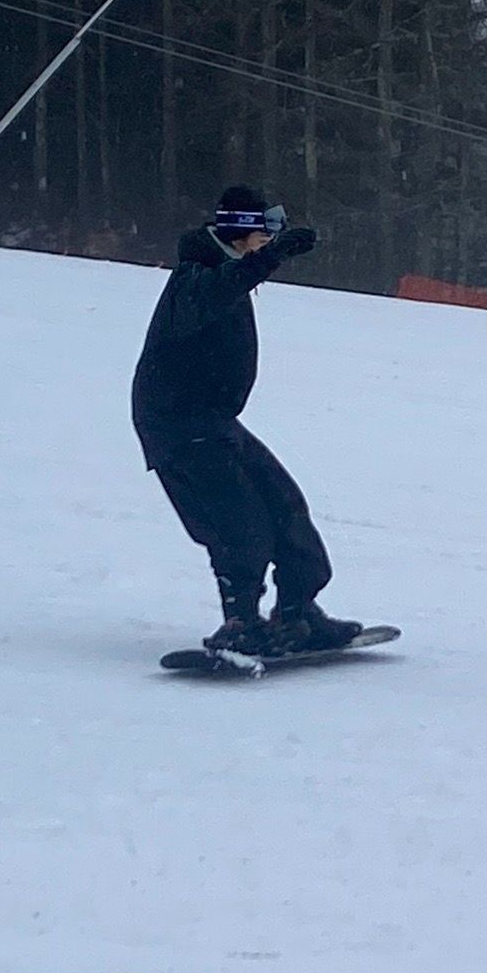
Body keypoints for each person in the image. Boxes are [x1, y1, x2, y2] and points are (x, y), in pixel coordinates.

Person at [132, 184, 362, 656]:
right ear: (241, 229)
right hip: (176, 423)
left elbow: (233, 283)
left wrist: (266, 257)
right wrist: (272, 256)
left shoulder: (231, 270)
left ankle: (297, 611)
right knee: (239, 524)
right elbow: (217, 292)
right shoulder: (195, 277)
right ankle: (240, 623)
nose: (271, 236)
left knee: (286, 506)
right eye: (266, 227)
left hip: (214, 420)